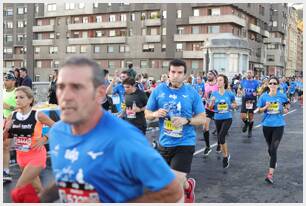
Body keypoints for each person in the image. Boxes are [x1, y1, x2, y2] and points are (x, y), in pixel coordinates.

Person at [29, 56, 182, 203]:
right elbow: (69, 175)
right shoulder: (57, 132)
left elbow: (172, 191)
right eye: (61, 87)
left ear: (100, 93)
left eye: (77, 87)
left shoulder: (123, 138)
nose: (66, 96)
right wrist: (39, 199)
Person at [145, 59, 206, 203]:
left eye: (179, 73)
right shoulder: (158, 90)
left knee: (175, 183)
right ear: (168, 73)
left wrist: (187, 120)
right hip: (165, 143)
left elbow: (202, 118)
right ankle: (188, 186)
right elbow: (147, 113)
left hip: (185, 142)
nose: (176, 75)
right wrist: (155, 114)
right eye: (173, 72)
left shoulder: (191, 92)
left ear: (185, 75)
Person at [4, 86, 54, 200]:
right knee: (37, 189)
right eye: (16, 97)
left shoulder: (38, 115)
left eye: (21, 97)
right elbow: (5, 140)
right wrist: (6, 129)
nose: (17, 100)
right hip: (21, 157)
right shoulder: (12, 115)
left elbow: (57, 127)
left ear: (30, 100)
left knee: (19, 189)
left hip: (36, 156)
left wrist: (45, 138)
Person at [256, 76, 290, 184]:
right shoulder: (263, 97)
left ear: (278, 85)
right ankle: (273, 159)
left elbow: (287, 104)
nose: (273, 85)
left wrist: (285, 109)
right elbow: (258, 111)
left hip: (279, 125)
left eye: (275, 83)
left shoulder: (281, 95)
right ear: (268, 85)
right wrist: (265, 107)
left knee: (274, 148)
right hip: (267, 125)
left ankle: (270, 175)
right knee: (270, 149)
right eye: (271, 83)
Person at [209, 74, 237, 168]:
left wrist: (233, 105)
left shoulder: (229, 93)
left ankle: (225, 156)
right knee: (220, 137)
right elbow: (210, 107)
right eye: (217, 80)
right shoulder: (214, 94)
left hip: (227, 117)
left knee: (221, 136)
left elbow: (234, 103)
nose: (218, 82)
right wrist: (212, 102)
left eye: (220, 80)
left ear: (224, 82)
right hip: (217, 118)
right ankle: (223, 151)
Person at [3, 73, 17, 183]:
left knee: (5, 147)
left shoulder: (16, 92)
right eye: (4, 80)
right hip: (3, 119)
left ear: (13, 81)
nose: (5, 82)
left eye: (7, 80)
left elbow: (22, 106)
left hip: (12, 121)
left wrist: (10, 107)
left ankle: (6, 171)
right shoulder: (2, 91)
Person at [203, 70, 219, 156]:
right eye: (208, 74)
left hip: (217, 109)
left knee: (219, 129)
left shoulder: (218, 85)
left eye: (211, 74)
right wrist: (204, 99)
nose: (208, 75)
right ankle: (208, 147)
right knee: (205, 128)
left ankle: (220, 143)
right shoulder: (205, 84)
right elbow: (205, 96)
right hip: (208, 109)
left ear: (215, 76)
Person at [239, 70, 259, 138]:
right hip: (245, 100)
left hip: (252, 100)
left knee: (250, 116)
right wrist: (241, 92)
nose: (248, 74)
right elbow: (239, 89)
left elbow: (259, 91)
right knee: (243, 116)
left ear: (252, 74)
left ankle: (250, 131)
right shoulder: (243, 81)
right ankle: (246, 124)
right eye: (247, 73)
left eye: (250, 73)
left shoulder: (256, 82)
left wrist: (256, 93)